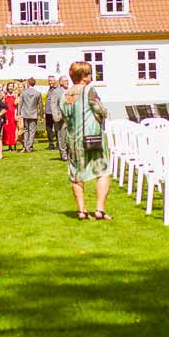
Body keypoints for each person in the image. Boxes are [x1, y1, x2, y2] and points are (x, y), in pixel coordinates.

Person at [61, 61, 111, 220]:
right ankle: (100, 210)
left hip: (73, 140)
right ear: (83, 76)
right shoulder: (89, 90)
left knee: (76, 174)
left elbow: (64, 117)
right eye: (89, 73)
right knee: (102, 171)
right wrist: (101, 115)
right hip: (92, 138)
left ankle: (82, 210)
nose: (91, 76)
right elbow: (101, 110)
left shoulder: (65, 94)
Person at [17, 78, 42, 153]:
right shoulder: (38, 93)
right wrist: (41, 115)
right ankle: (29, 146)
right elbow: (40, 105)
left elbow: (20, 104)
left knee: (26, 130)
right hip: (34, 113)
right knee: (32, 131)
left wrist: (18, 114)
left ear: (28, 83)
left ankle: (26, 146)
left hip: (25, 114)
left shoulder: (23, 93)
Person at [52, 76, 71, 161]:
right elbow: (53, 105)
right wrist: (56, 117)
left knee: (70, 137)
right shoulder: (56, 92)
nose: (68, 82)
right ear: (60, 82)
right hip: (61, 118)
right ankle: (63, 154)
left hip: (70, 117)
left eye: (68, 81)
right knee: (61, 137)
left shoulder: (70, 90)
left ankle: (70, 154)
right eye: (65, 81)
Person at [45, 76, 64, 149]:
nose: (50, 82)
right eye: (49, 81)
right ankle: (51, 144)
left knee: (57, 129)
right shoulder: (49, 89)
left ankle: (59, 144)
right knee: (49, 129)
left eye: (51, 81)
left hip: (55, 112)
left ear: (55, 81)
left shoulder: (58, 90)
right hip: (48, 112)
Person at [2, 82, 19, 151]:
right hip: (7, 114)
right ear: (7, 87)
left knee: (14, 129)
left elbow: (17, 105)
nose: (10, 87)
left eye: (12, 86)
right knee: (7, 130)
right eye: (9, 86)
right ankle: (9, 146)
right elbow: (2, 106)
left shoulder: (15, 95)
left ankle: (14, 144)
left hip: (13, 114)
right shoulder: (5, 96)